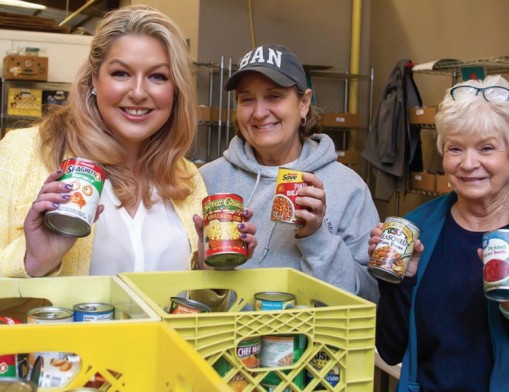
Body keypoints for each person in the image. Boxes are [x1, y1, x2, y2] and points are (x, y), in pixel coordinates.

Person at [0, 5, 256, 278]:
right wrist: (34, 260)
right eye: (121, 73)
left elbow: (195, 305)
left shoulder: (186, 177)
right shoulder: (22, 151)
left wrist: (208, 270)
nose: (137, 93)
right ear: (94, 80)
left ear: (175, 90)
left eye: (157, 76)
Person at [199, 43, 380, 303]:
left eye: (274, 96)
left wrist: (317, 237)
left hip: (313, 343)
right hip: (224, 340)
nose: (260, 113)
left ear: (304, 103)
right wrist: (206, 267)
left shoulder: (348, 187)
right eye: (247, 99)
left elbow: (368, 300)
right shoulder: (209, 179)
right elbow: (184, 293)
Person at [371, 75, 509, 391]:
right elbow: (390, 350)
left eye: (486, 148)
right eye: (455, 148)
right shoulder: (419, 226)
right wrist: (398, 281)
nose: (468, 163)